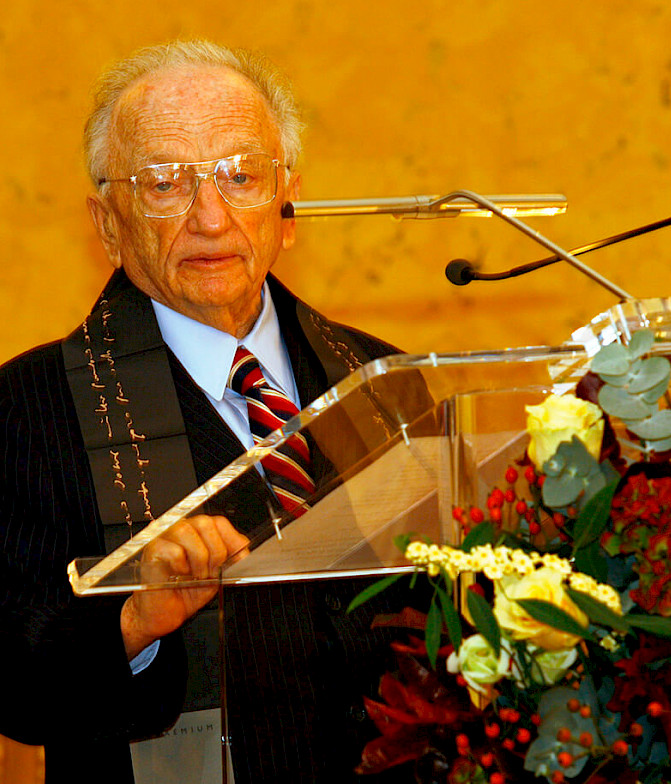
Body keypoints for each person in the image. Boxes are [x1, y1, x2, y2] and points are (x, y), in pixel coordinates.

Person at [0, 40, 417, 784]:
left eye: (240, 176)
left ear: (286, 209)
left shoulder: (385, 381)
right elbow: (12, 681)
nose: (211, 217)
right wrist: (133, 620)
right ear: (108, 226)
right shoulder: (32, 406)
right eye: (163, 183)